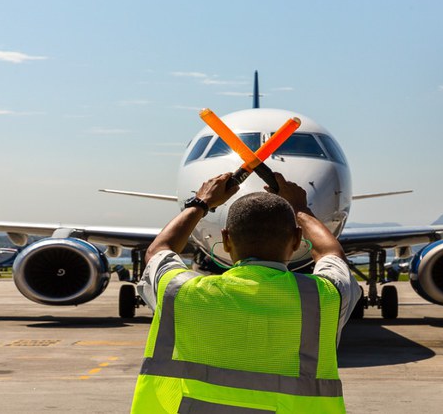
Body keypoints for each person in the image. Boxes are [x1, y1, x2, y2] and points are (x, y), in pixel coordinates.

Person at [131, 171, 361, 414]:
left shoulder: (181, 292)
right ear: (296, 240)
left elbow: (159, 250)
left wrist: (201, 203)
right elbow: (330, 254)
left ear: (227, 240)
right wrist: (301, 209)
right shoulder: (322, 298)